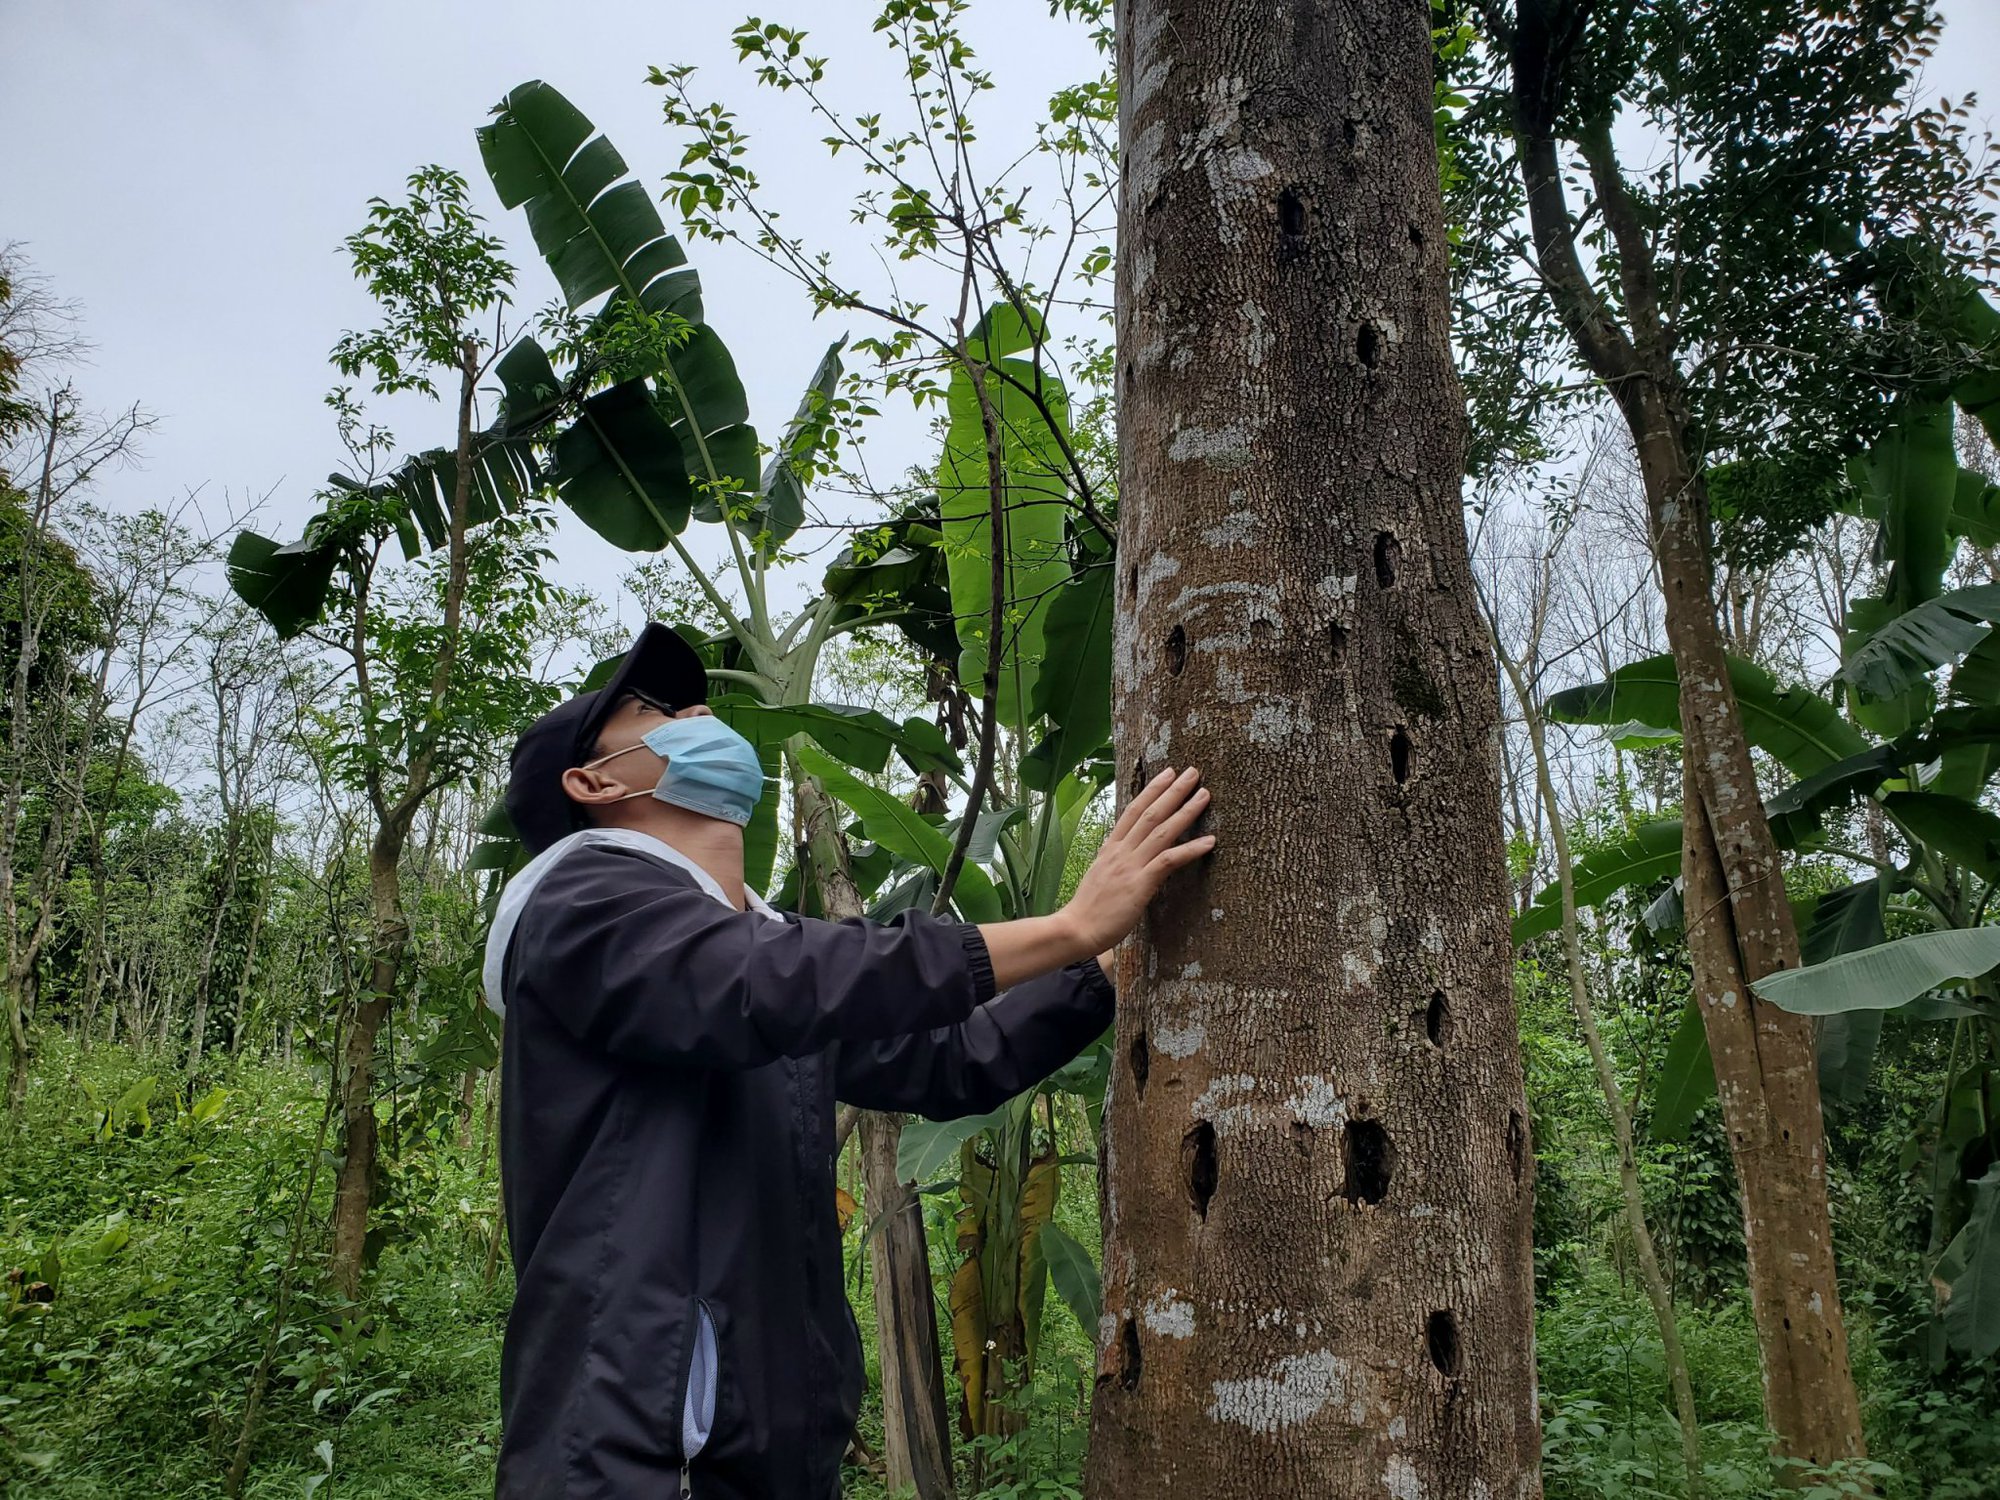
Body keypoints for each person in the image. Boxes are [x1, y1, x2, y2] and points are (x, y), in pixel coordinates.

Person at [483, 622, 1214, 1499]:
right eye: (657, 711)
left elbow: (957, 1060)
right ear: (594, 781)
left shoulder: (754, 946)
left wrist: (1099, 969)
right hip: (634, 1463)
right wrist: (1066, 926)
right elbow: (768, 982)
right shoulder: (582, 902)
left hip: (777, 1463)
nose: (700, 714)